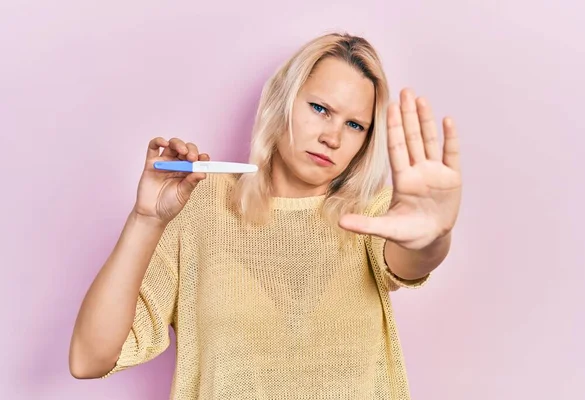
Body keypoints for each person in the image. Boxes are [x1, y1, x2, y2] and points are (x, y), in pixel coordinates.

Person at [68, 32, 462, 399]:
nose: (333, 137)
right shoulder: (198, 205)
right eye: (321, 108)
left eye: (355, 125)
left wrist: (433, 236)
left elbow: (410, 260)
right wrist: (146, 218)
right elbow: (89, 359)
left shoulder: (374, 215)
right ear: (282, 101)